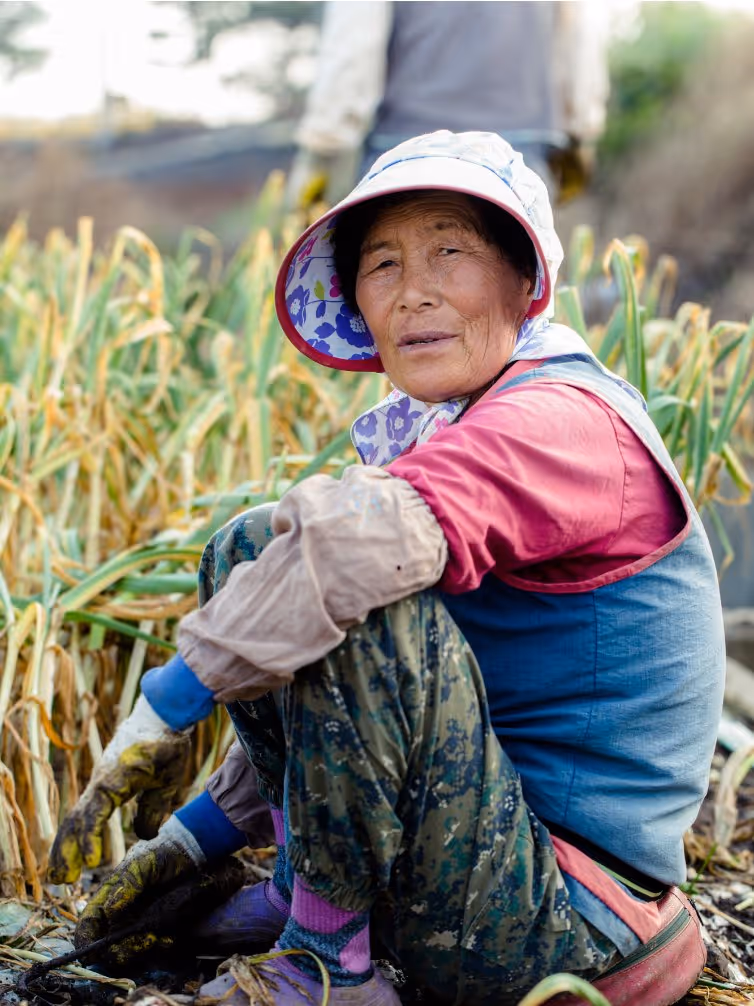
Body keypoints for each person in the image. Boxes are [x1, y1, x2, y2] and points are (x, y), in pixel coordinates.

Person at [50, 131, 723, 1006]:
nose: (414, 292)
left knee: (333, 559)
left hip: (567, 922)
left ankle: (330, 969)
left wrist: (170, 704)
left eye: (451, 251)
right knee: (261, 548)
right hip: (479, 865)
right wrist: (193, 838)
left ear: (526, 283)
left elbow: (355, 564)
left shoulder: (562, 419)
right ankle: (309, 902)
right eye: (383, 263)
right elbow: (351, 685)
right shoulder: (458, 420)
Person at [285, 1, 610, 208]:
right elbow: (579, 43)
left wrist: (321, 153)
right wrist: (582, 132)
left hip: (406, 156)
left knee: (401, 294)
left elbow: (351, 53)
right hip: (521, 153)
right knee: (521, 297)